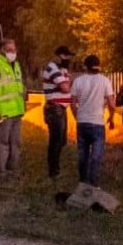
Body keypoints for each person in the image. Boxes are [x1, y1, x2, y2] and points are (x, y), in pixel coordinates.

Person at [70, 55, 115, 188]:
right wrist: (111, 118)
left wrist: (77, 117)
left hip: (82, 122)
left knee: (83, 154)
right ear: (98, 65)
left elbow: (72, 104)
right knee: (96, 155)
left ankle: (83, 182)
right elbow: (112, 105)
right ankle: (93, 184)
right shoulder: (105, 81)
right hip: (97, 123)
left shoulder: (78, 81)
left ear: (85, 66)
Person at [0, 39, 26, 179]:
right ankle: (1, 172)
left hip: (17, 111)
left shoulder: (16, 65)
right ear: (1, 50)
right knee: (3, 142)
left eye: (14, 50)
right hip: (3, 112)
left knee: (16, 142)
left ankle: (13, 169)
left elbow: (17, 86)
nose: (12, 53)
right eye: (9, 50)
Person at [41, 45, 75, 178]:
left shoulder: (62, 69)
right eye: (66, 56)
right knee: (56, 140)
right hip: (55, 108)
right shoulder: (52, 68)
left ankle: (55, 168)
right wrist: (70, 83)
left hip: (61, 108)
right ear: (59, 55)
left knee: (61, 140)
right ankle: (53, 171)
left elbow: (67, 84)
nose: (68, 59)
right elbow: (66, 88)